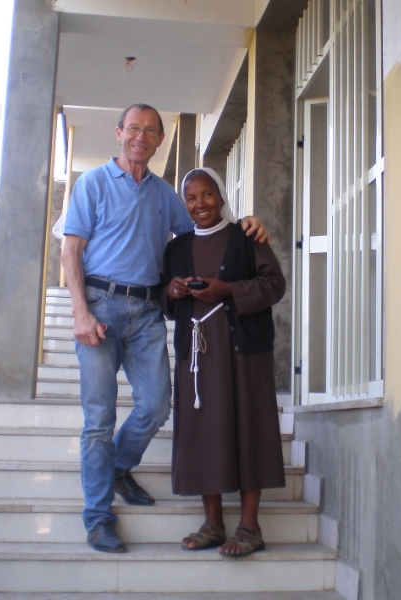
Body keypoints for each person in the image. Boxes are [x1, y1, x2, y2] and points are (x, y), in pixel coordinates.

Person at [61, 103, 268, 554]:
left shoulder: (165, 195)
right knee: (98, 419)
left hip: (147, 311)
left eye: (151, 131)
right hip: (99, 305)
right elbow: (71, 251)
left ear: (159, 141)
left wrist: (247, 223)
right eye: (134, 128)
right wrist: (79, 312)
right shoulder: (92, 183)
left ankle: (119, 465)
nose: (141, 136)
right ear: (119, 133)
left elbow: (206, 223)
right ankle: (98, 518)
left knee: (156, 406)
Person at [161, 168, 286, 558]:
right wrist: (172, 291)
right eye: (191, 198)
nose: (200, 204)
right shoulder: (177, 248)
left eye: (207, 194)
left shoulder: (246, 237)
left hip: (244, 351)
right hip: (198, 354)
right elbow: (164, 302)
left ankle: (250, 527)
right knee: (203, 433)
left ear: (221, 196)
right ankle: (213, 523)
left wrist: (228, 290)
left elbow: (275, 285)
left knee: (250, 427)